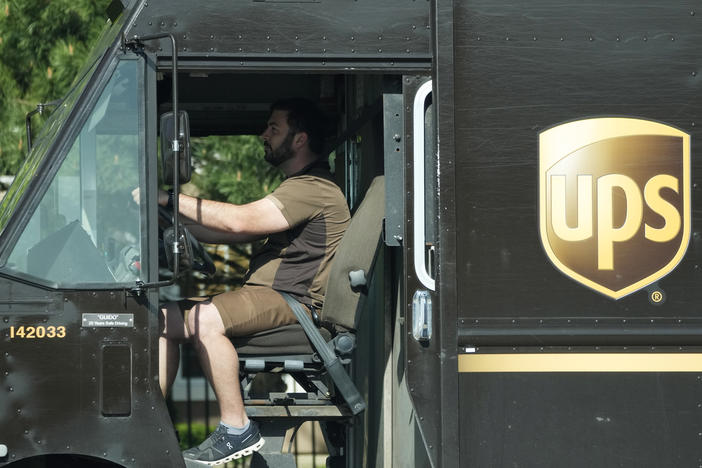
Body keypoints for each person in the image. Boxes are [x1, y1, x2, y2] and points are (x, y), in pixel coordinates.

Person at [158, 99, 350, 464]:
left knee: (203, 319)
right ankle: (150, 425)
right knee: (161, 320)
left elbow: (240, 222)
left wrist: (169, 198)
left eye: (274, 128)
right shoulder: (299, 187)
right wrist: (167, 219)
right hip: (273, 298)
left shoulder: (313, 187)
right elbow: (227, 233)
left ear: (300, 139)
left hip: (295, 305)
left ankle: (236, 428)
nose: (264, 134)